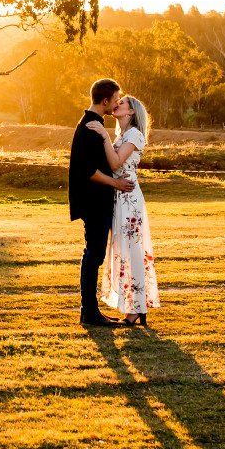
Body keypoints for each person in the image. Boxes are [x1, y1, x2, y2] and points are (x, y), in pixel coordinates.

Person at [68, 78, 134, 328]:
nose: (117, 102)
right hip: (93, 201)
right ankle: (89, 311)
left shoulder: (94, 123)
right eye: (115, 98)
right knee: (93, 255)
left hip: (98, 201)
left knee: (93, 254)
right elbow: (89, 171)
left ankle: (91, 310)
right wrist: (116, 184)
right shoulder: (90, 126)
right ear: (105, 100)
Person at [88, 94, 159, 327]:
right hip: (119, 197)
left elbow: (116, 163)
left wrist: (102, 135)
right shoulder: (122, 135)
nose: (117, 105)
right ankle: (133, 306)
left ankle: (137, 308)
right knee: (123, 250)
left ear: (131, 112)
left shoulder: (135, 134)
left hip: (129, 199)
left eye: (122, 104)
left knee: (133, 250)